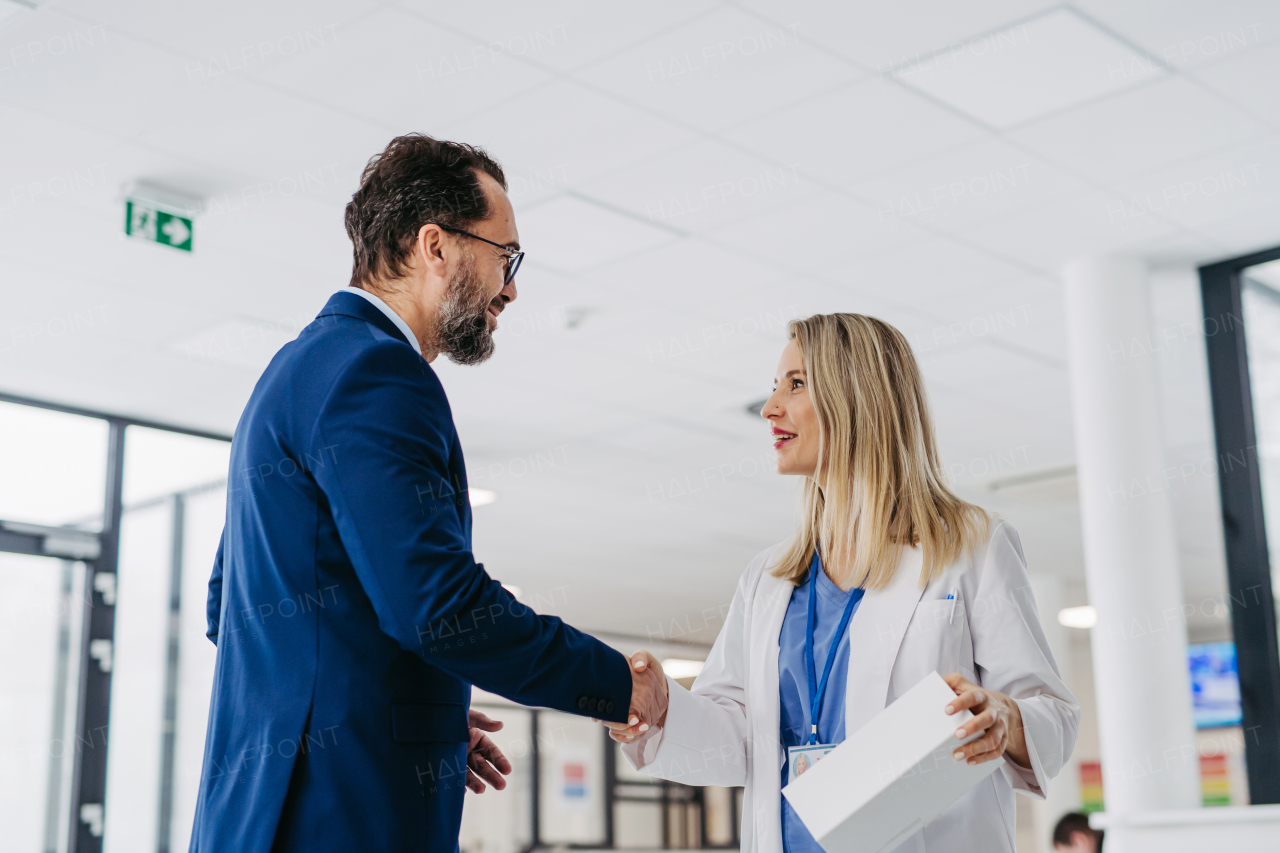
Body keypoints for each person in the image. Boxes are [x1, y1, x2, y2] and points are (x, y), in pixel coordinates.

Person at [189, 134, 665, 853]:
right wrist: (614, 683)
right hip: (337, 819)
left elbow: (231, 604)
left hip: (263, 816)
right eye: (505, 256)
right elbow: (439, 607)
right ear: (434, 245)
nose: (511, 287)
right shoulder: (377, 376)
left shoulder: (293, 371)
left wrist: (405, 705)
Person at [605, 313, 1081, 853]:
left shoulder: (970, 545)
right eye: (774, 387)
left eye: (797, 384)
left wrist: (1005, 716)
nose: (770, 408)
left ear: (859, 397)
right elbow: (740, 741)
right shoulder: (767, 579)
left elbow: (1054, 715)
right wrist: (664, 708)